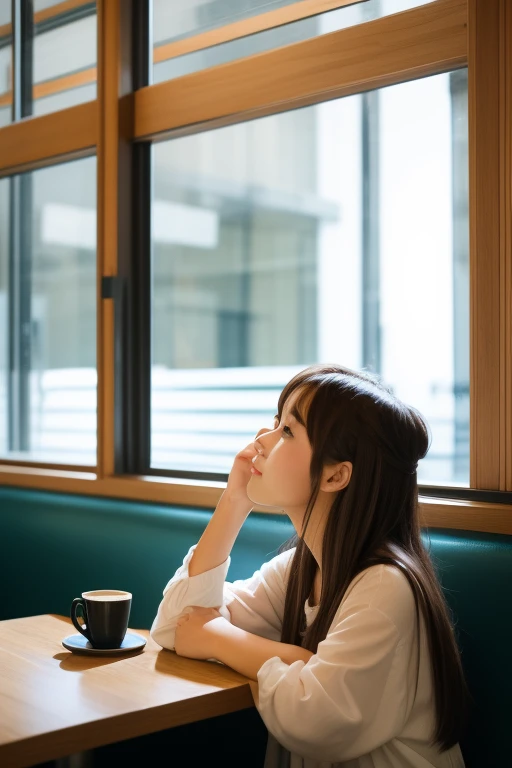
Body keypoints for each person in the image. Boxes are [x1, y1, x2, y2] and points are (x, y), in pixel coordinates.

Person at [150, 363, 471, 768]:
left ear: (336, 475)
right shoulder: (303, 568)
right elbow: (176, 624)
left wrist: (217, 638)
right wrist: (234, 502)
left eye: (287, 431)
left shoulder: (385, 586)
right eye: (275, 423)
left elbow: (317, 720)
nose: (260, 440)